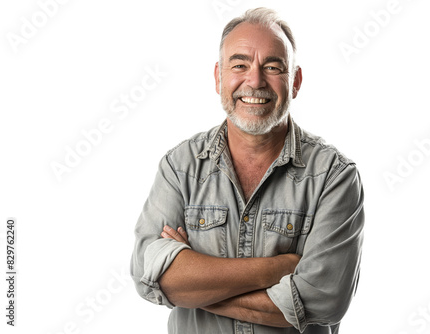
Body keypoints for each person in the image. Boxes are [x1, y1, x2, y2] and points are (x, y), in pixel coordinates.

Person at [130, 7, 365, 334]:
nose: (254, 81)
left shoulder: (333, 177)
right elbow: (147, 275)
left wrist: (192, 288)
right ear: (218, 78)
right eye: (239, 65)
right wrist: (278, 269)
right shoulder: (180, 166)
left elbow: (324, 300)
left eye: (273, 66)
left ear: (295, 81)